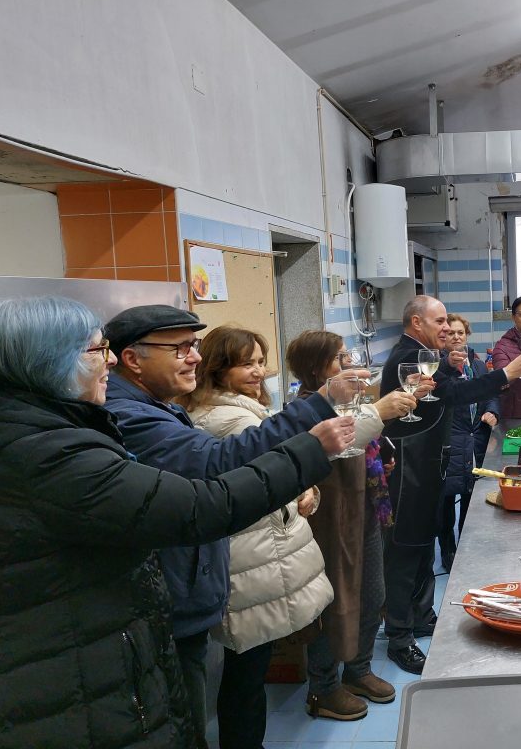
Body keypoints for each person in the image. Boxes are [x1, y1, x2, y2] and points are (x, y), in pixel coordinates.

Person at [0, 297, 353, 749]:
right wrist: (309, 449)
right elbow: (201, 503)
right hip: (70, 666)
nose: (109, 360)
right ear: (48, 360)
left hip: (95, 645)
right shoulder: (51, 453)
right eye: (96, 350)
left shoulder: (34, 429)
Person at [103, 305, 354, 748]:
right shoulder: (133, 415)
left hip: (190, 589)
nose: (194, 357)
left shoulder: (158, 407)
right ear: (131, 359)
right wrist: (312, 430)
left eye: (196, 346)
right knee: (192, 717)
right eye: (180, 348)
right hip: (173, 595)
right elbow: (219, 462)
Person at [380, 295, 521, 674]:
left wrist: (453, 368)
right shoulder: (406, 357)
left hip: (428, 467)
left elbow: (448, 386)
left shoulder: (427, 354)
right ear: (417, 323)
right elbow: (453, 394)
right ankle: (399, 637)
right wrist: (506, 374)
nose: (447, 328)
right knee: (405, 553)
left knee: (423, 547)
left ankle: (421, 617)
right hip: (408, 471)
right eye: (439, 321)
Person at [285, 330, 417, 720]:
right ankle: (323, 687)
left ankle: (358, 670)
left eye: (347, 356)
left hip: (364, 509)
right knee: (335, 600)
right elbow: (331, 447)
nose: (348, 364)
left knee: (372, 594)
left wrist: (380, 456)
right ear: (316, 368)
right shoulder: (304, 410)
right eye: (338, 358)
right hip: (329, 517)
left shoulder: (347, 400)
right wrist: (379, 412)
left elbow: (366, 441)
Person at [439, 313, 500, 570]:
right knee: (445, 500)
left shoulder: (477, 365)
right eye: (450, 333)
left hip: (477, 440)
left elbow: (491, 393)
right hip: (451, 442)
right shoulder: (438, 368)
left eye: (460, 333)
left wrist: (492, 411)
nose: (456, 337)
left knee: (471, 496)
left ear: (467, 336)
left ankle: (466, 545)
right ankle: (447, 550)